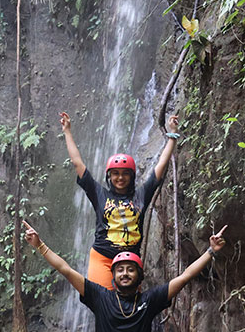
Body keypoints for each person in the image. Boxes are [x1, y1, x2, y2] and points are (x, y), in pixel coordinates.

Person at [22, 219, 227, 332]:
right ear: (113, 276)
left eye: (131, 269)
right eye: (120, 270)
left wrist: (211, 250)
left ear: (139, 275)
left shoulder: (149, 299)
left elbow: (185, 277)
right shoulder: (100, 296)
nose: (125, 273)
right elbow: (65, 270)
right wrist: (40, 245)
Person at [60, 111, 181, 289]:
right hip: (103, 258)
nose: (120, 178)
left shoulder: (142, 195)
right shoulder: (98, 193)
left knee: (130, 310)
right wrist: (67, 131)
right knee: (103, 304)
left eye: (125, 173)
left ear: (132, 177)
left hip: (130, 263)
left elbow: (160, 167)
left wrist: (172, 135)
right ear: (109, 177)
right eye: (115, 173)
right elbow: (78, 163)